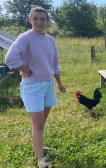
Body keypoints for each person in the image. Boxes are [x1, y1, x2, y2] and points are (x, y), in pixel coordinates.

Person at [4, 5, 66, 168]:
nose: (39, 22)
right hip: (32, 87)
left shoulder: (50, 40)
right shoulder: (25, 37)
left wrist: (59, 83)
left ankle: (39, 146)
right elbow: (10, 58)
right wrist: (25, 70)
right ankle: (41, 160)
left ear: (47, 21)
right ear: (30, 20)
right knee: (37, 124)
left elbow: (55, 64)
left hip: (48, 85)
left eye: (43, 19)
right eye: (36, 18)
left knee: (41, 122)